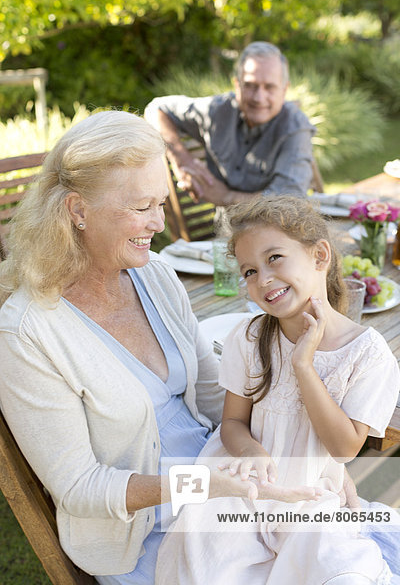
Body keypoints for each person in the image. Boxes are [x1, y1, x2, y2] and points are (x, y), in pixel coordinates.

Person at [0, 111, 321, 584]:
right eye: (140, 207)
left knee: (347, 544)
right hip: (149, 539)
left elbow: (216, 398)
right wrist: (202, 485)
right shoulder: (27, 333)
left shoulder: (155, 274)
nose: (157, 223)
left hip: (226, 489)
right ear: (78, 210)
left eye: (160, 203)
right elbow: (80, 489)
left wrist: (285, 425)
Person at [155, 195, 399, 585]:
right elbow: (232, 422)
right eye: (249, 270)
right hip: (240, 487)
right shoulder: (250, 338)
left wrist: (303, 364)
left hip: (309, 496)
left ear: (320, 256)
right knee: (210, 569)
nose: (262, 279)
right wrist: (252, 451)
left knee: (340, 572)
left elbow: (343, 449)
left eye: (274, 259)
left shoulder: (368, 355)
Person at [145, 41, 316, 206]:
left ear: (284, 90)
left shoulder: (295, 126)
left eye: (269, 87)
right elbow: (156, 108)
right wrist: (182, 159)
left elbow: (289, 200)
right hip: (224, 230)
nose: (259, 97)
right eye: (250, 85)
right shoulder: (217, 111)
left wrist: (227, 197)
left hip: (277, 230)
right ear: (237, 85)